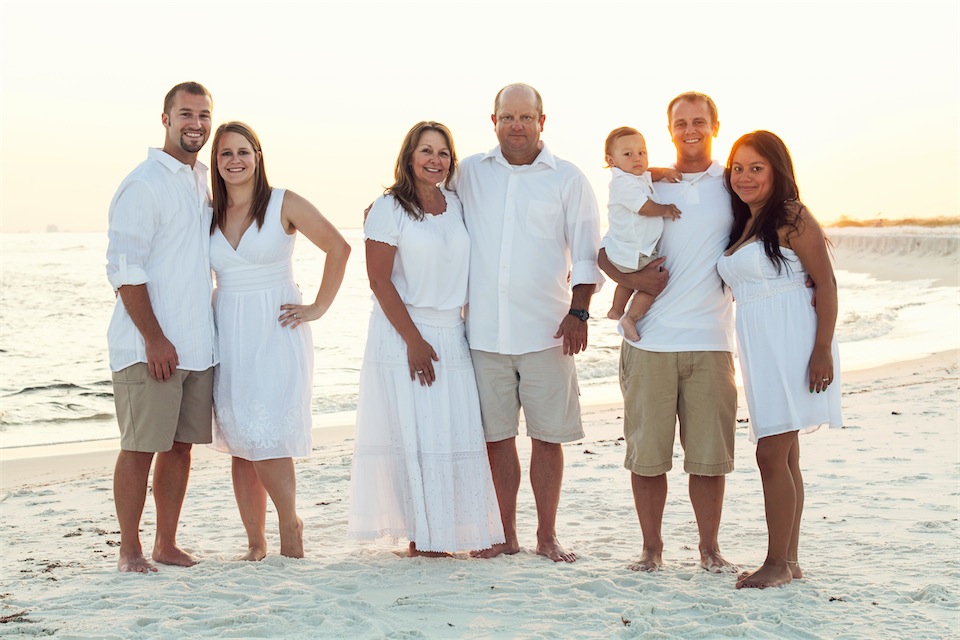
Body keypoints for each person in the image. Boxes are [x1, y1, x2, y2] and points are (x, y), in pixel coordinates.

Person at [456, 83, 604, 563]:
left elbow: (585, 252)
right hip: (483, 335)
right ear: (493, 120)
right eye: (507, 117)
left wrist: (579, 312)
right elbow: (425, 202)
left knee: (547, 438)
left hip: (547, 331)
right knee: (496, 440)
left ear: (543, 121)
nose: (515, 125)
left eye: (525, 117)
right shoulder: (469, 173)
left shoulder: (567, 178)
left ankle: (546, 536)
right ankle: (505, 535)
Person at [347, 122, 505, 557]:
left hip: (451, 332)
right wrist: (414, 341)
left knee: (454, 433)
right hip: (404, 332)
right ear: (409, 157)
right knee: (415, 438)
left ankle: (460, 532)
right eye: (426, 151)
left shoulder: (455, 203)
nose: (435, 160)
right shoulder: (389, 207)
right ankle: (423, 539)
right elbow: (379, 281)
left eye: (443, 153)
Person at [598, 91, 737, 573]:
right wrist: (632, 284)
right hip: (649, 341)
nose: (690, 129)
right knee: (647, 457)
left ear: (715, 125)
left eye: (700, 121)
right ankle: (651, 549)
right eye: (681, 122)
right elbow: (605, 250)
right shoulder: (643, 184)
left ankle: (709, 549)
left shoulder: (733, 182)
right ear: (670, 128)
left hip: (711, 340)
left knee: (708, 458)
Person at [209, 121, 350, 560]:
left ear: (258, 156)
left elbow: (339, 247)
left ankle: (290, 523)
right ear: (216, 162)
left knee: (266, 436)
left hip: (275, 331)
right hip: (228, 333)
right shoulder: (209, 212)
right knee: (239, 441)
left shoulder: (282, 202)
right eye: (226, 153)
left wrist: (319, 308)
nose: (235, 160)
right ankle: (255, 542)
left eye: (243, 152)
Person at [717, 130, 842, 589]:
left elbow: (825, 283)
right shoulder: (745, 221)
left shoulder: (791, 215)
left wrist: (822, 348)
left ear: (777, 171)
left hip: (794, 343)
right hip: (760, 346)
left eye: (756, 167)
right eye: (737, 168)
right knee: (785, 455)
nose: (745, 176)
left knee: (772, 453)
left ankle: (775, 563)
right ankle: (788, 561)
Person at [105, 81, 217, 573]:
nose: (196, 124)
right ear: (166, 118)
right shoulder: (144, 183)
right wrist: (153, 337)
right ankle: (129, 549)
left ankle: (165, 543)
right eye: (186, 114)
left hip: (196, 345)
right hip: (147, 345)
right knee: (139, 447)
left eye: (204, 115)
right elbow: (125, 269)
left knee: (179, 447)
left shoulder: (202, 180)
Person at [600, 126, 682, 341]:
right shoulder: (622, 183)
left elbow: (649, 173)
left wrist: (663, 172)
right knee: (652, 284)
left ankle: (616, 309)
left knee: (627, 281)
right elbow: (644, 207)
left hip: (628, 250)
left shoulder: (635, 176)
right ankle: (631, 317)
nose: (637, 158)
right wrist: (665, 210)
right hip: (636, 250)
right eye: (628, 154)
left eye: (642, 153)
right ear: (611, 160)